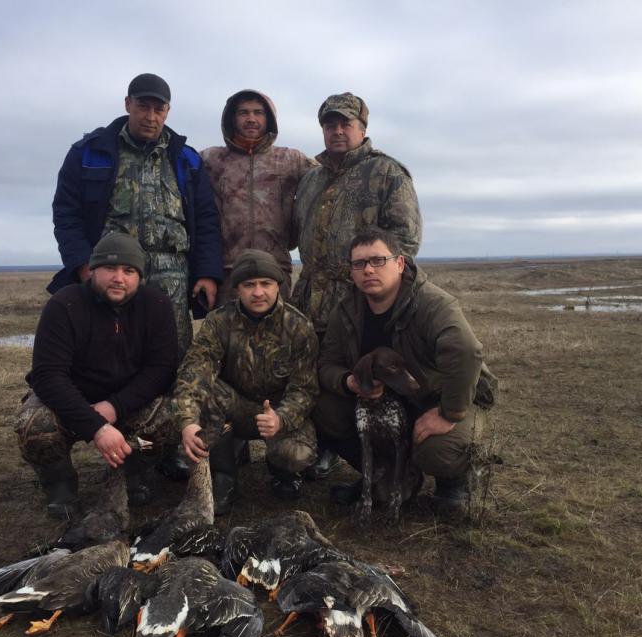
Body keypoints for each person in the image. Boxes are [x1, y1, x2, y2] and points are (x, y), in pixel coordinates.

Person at [313, 231, 498, 520]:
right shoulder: (347, 310)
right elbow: (327, 363)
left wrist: (449, 413)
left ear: (399, 263)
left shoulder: (432, 303)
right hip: (388, 404)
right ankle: (381, 474)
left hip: (439, 398)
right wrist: (349, 382)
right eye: (359, 263)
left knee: (436, 450)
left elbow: (466, 352)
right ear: (351, 271)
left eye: (378, 260)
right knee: (324, 409)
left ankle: (453, 483)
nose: (368, 270)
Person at [292, 91, 423, 480]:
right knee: (315, 375)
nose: (337, 131)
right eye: (329, 124)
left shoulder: (387, 172)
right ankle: (326, 447)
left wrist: (373, 285)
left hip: (359, 296)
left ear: (362, 128)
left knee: (367, 376)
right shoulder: (311, 179)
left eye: (345, 124)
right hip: (309, 296)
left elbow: (405, 240)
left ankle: (392, 460)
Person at [49, 72, 223, 357]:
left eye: (159, 109)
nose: (150, 117)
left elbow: (206, 221)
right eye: (143, 107)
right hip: (112, 274)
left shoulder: (186, 159)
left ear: (168, 111)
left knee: (171, 356)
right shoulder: (89, 152)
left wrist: (207, 273)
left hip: (173, 281)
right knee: (109, 353)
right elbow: (66, 214)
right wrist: (82, 264)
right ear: (128, 104)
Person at [15, 233, 179, 518]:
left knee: (170, 416)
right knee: (34, 423)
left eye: (129, 271)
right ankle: (60, 485)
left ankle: (130, 474)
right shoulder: (64, 304)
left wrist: (114, 407)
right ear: (92, 270)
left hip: (127, 401)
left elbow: (162, 370)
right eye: (110, 268)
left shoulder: (157, 305)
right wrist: (97, 427)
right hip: (72, 401)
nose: (119, 278)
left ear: (140, 276)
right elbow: (48, 376)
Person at [172, 249, 319, 515]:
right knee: (207, 392)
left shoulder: (299, 327)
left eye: (266, 283)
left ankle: (282, 472)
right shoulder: (219, 322)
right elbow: (194, 371)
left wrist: (281, 418)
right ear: (238, 288)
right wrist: (188, 421)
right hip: (234, 407)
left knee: (296, 454)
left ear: (278, 285)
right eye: (249, 285)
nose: (258, 292)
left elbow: (305, 389)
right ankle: (223, 476)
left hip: (277, 412)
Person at [201, 89, 316, 305]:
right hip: (228, 273)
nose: (251, 119)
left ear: (269, 118)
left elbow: (330, 177)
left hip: (275, 271)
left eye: (258, 112)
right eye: (243, 112)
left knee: (278, 328)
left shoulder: (291, 160)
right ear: (232, 118)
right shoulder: (211, 160)